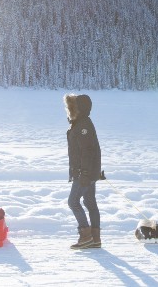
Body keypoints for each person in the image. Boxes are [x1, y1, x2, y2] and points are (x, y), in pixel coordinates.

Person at [65, 93, 103, 249]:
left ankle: (86, 237)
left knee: (73, 202)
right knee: (89, 202)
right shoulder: (81, 123)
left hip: (84, 172)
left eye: (72, 107)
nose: (69, 109)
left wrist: (85, 173)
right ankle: (95, 239)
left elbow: (88, 150)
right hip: (88, 171)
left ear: (79, 109)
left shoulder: (83, 125)